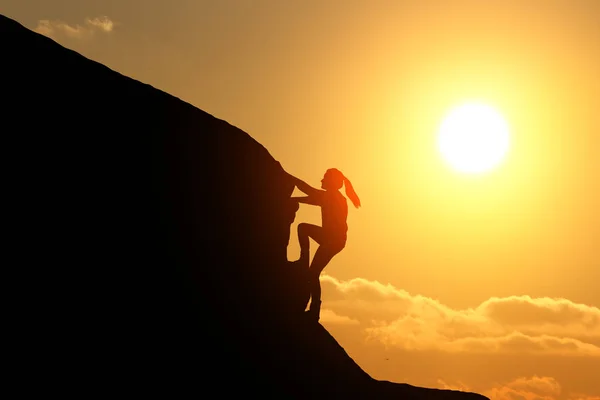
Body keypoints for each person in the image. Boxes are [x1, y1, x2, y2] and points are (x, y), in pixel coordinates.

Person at [288, 168, 361, 321]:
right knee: (312, 271)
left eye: (324, 178)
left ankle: (314, 310)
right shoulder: (331, 197)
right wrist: (295, 199)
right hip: (333, 238)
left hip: (332, 240)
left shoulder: (332, 196)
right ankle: (312, 307)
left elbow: (309, 192)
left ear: (332, 182)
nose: (321, 180)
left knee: (312, 272)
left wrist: (290, 178)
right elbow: (311, 198)